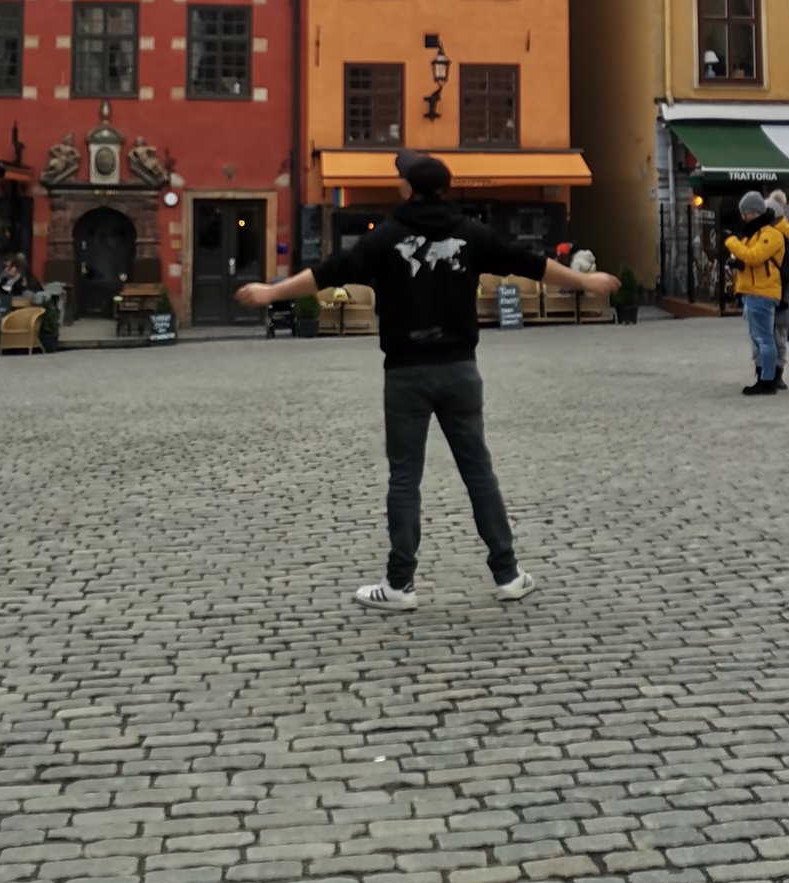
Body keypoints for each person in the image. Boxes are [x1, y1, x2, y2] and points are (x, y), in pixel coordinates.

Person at [236, 149, 619, 611]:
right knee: (478, 472)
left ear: (407, 188)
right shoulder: (471, 233)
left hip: (405, 373)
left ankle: (400, 585)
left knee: (405, 478)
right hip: (460, 369)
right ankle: (508, 574)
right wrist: (587, 282)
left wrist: (270, 292)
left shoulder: (386, 238)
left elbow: (325, 273)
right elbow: (528, 263)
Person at [725, 191, 785, 397]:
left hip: (762, 292)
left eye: (747, 213)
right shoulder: (754, 234)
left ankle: (768, 381)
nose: (744, 217)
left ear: (757, 212)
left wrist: (731, 241)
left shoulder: (771, 234)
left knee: (764, 338)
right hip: (753, 291)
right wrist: (738, 263)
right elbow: (749, 259)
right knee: (759, 338)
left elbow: (754, 256)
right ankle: (763, 377)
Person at [765, 188, 789, 390]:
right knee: (778, 335)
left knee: (768, 335)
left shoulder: (773, 236)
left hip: (771, 292)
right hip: (780, 293)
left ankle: (770, 373)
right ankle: (776, 374)